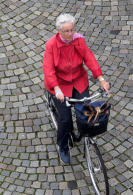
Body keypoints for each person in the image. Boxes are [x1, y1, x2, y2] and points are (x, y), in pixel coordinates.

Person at [42, 13, 110, 164]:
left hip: (78, 81)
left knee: (84, 111)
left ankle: (83, 131)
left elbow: (89, 58)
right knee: (65, 119)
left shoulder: (78, 40)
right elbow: (48, 69)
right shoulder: (51, 45)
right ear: (59, 30)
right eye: (67, 31)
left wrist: (101, 79)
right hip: (59, 85)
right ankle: (63, 145)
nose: (70, 33)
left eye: (72, 30)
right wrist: (57, 89)